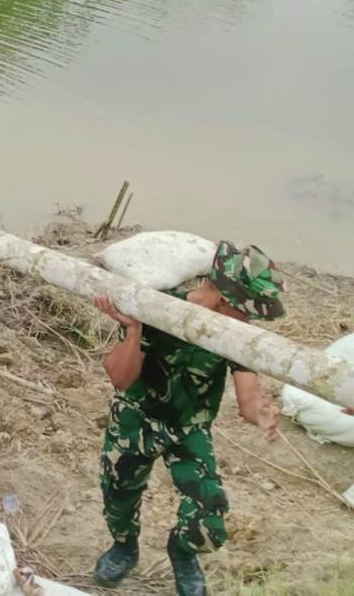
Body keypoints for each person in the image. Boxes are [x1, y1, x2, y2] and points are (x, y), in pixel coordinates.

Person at [91, 241, 285, 596]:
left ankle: (182, 554)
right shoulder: (160, 308)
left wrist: (262, 414)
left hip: (188, 428)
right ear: (226, 302)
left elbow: (247, 399)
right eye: (246, 312)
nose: (249, 321)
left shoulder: (236, 334)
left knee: (209, 513)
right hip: (136, 419)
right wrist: (134, 329)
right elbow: (120, 378)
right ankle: (124, 547)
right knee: (118, 495)